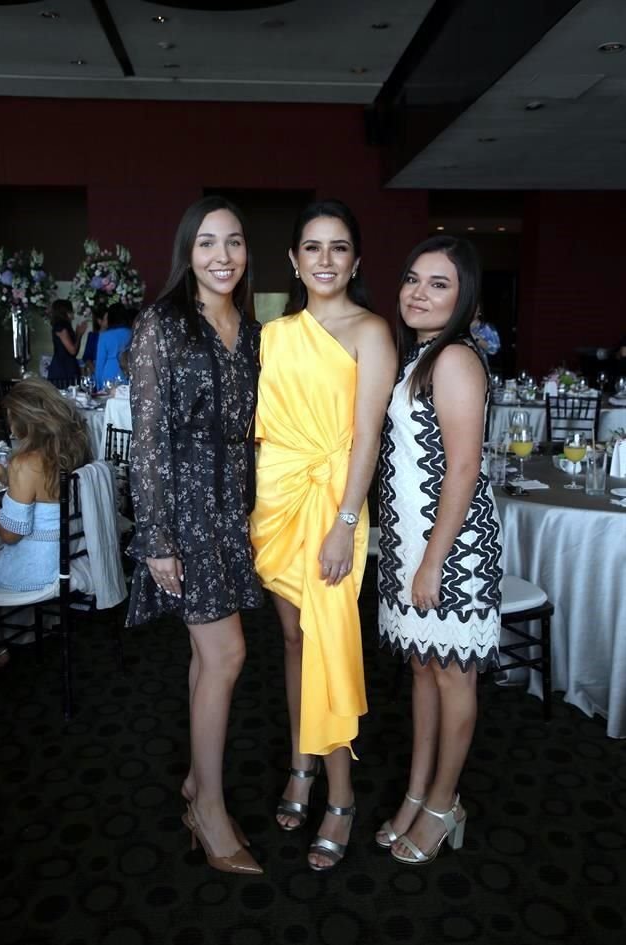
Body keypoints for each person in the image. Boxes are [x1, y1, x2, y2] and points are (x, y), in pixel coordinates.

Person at [250, 199, 396, 871]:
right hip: (278, 499)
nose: (326, 259)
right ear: (293, 260)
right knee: (291, 638)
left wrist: (343, 523)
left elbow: (368, 435)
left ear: (356, 260)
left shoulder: (371, 330)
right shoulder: (275, 334)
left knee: (326, 639)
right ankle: (300, 765)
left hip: (337, 505)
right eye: (313, 247)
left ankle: (340, 793)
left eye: (339, 247)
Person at [127, 195, 263, 875]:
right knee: (227, 654)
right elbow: (146, 438)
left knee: (208, 656)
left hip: (231, 510)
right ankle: (207, 807)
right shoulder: (163, 324)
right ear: (188, 251)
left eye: (234, 242)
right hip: (182, 510)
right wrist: (155, 539)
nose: (222, 256)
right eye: (208, 242)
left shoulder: (252, 325)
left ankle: (194, 780)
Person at [376, 235, 502, 866]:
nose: (417, 293)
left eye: (438, 284)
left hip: (450, 553)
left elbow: (462, 470)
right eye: (412, 279)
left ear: (463, 297)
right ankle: (416, 792)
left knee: (452, 676)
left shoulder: (455, 359)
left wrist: (432, 562)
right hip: (411, 546)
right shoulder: (420, 356)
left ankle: (444, 801)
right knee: (424, 670)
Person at [0, 379, 92, 661]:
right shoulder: (72, 448)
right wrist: (6, 479)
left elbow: (12, 535)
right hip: (65, 556)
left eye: (11, 417)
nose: (9, 425)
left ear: (27, 419)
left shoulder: (25, 462)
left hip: (35, 569)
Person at [94, 303, 132, 390]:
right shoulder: (132, 333)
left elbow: (100, 363)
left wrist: (98, 386)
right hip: (127, 371)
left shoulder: (105, 336)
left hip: (109, 373)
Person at [47, 299, 86, 385]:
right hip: (63, 368)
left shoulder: (63, 326)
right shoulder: (61, 327)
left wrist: (78, 334)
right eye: (71, 310)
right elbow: (72, 351)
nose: (73, 313)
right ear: (66, 312)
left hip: (66, 366)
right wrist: (79, 334)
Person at [81, 307, 107, 375]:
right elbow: (86, 357)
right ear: (99, 321)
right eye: (107, 319)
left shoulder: (113, 335)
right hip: (95, 370)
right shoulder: (93, 336)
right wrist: (94, 369)